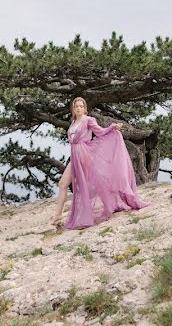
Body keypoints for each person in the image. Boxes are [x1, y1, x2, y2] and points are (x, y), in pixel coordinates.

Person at [51, 96, 149, 229]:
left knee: (93, 182)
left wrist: (112, 128)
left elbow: (100, 132)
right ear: (73, 109)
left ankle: (108, 205)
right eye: (76, 106)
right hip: (75, 156)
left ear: (84, 108)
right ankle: (57, 215)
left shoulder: (88, 120)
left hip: (84, 155)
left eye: (81, 106)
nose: (79, 108)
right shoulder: (74, 122)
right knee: (63, 184)